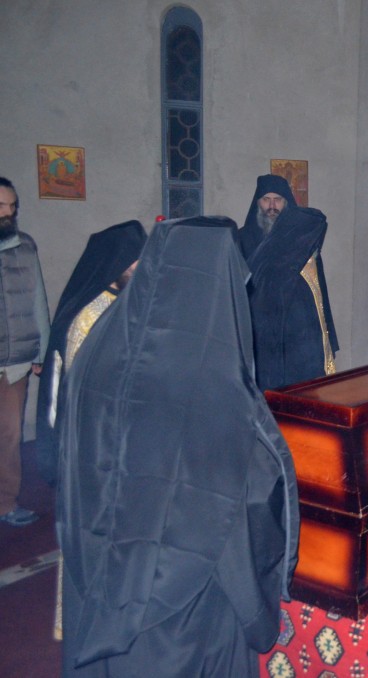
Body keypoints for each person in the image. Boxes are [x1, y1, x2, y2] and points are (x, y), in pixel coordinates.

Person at [57, 216, 299, 676]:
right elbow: (232, 513)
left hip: (99, 581)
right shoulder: (208, 379)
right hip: (183, 614)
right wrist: (256, 612)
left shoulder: (102, 341)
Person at [36, 220, 147, 488]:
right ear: (115, 262)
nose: (139, 269)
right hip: (95, 419)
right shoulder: (90, 311)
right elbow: (79, 372)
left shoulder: (131, 300)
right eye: (133, 264)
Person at [240, 175, 338, 390]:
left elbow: (317, 290)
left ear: (287, 203)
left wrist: (325, 338)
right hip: (260, 335)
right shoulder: (242, 239)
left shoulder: (303, 241)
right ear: (257, 202)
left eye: (278, 200)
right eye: (266, 199)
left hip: (297, 334)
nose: (272, 206)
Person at [0, 177, 49, 527]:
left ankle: (5, 503)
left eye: (12, 206)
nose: (8, 213)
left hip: (15, 361)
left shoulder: (26, 247)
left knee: (10, 435)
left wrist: (40, 352)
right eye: (1, 206)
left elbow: (37, 302)